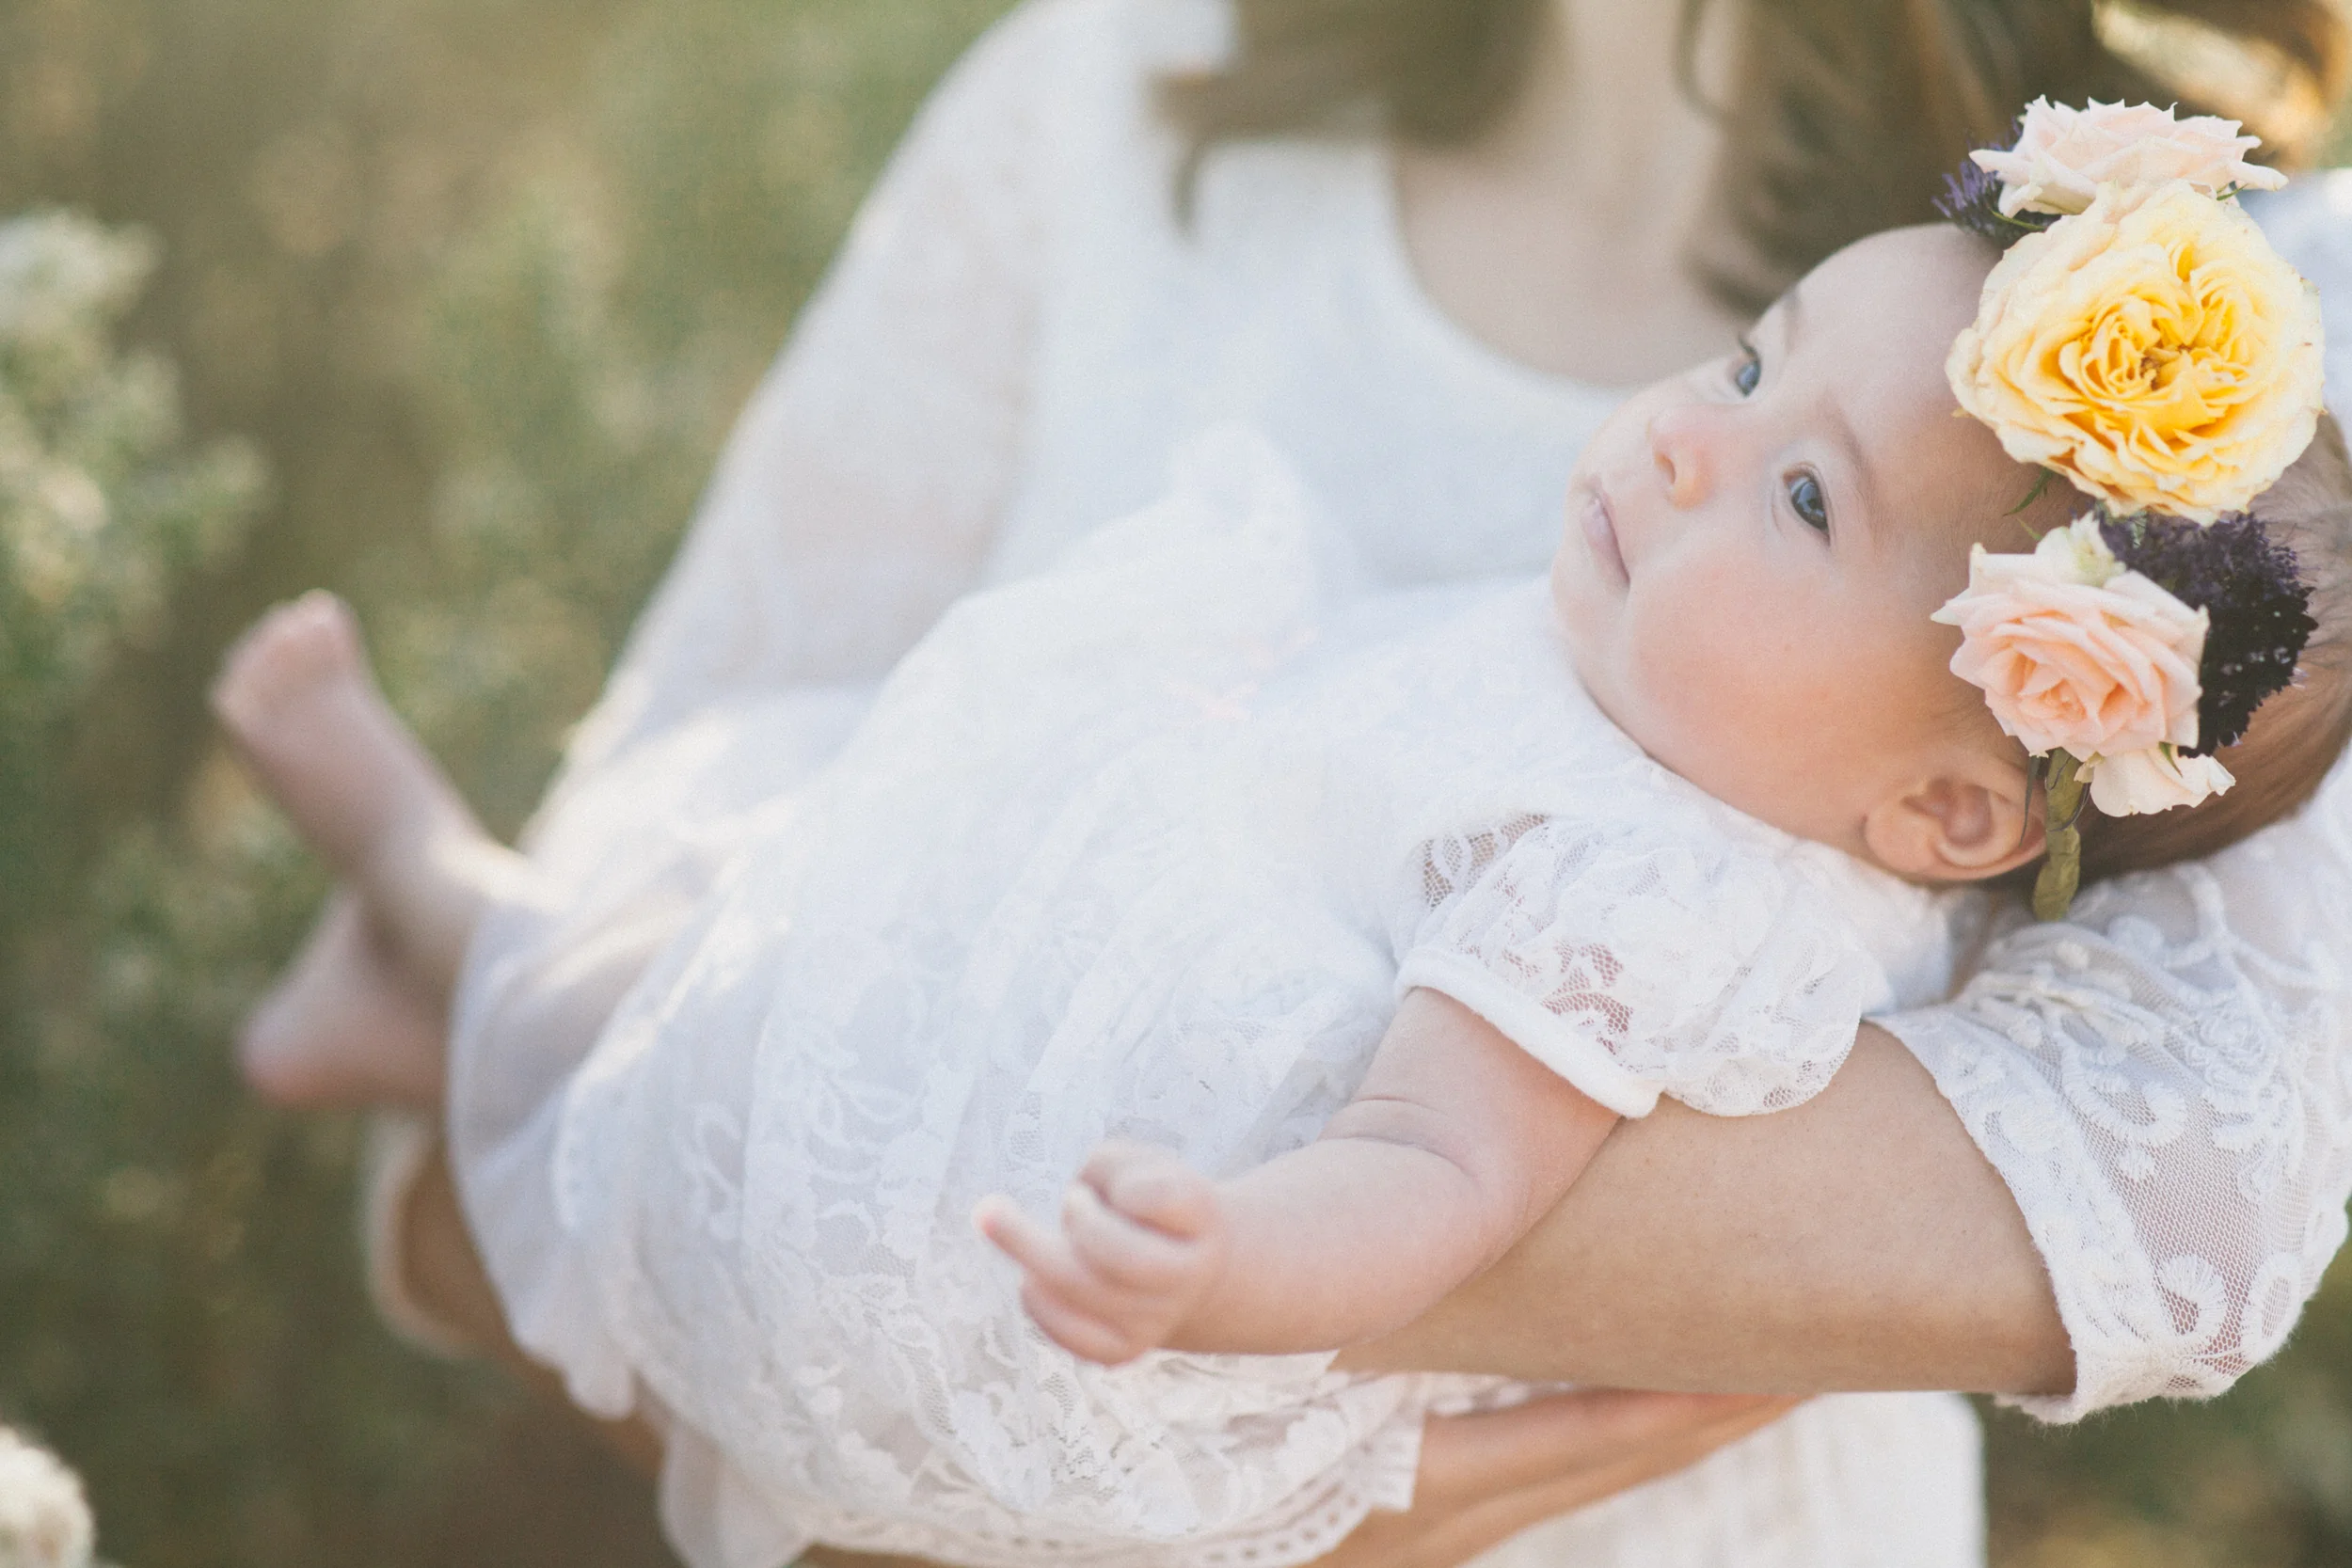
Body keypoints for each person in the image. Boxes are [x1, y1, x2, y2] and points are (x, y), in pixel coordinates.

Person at [227, 1, 2352, 1564]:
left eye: (1793, 479)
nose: (1691, 438)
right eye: (1735, 365)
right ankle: (411, 904)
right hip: (925, 1358)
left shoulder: (2229, 394)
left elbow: (2195, 1197)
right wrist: (976, 1482)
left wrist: (1186, 1338)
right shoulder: (1109, 96)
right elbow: (675, 870)